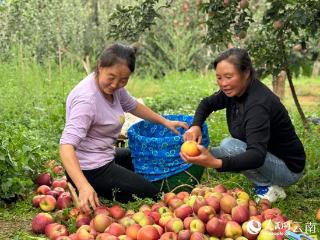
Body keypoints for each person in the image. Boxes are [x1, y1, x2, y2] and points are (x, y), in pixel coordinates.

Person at [60, 43, 188, 212]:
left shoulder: (114, 89)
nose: (115, 84)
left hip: (105, 155)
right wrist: (83, 185)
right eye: (111, 77)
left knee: (147, 156)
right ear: (100, 66)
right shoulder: (87, 100)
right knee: (154, 195)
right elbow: (66, 146)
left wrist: (165, 121)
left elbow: (133, 105)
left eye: (123, 80)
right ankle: (87, 186)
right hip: (90, 169)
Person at [180, 48, 305, 202]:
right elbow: (207, 104)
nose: (223, 83)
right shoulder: (236, 90)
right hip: (268, 154)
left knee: (232, 147)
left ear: (246, 73)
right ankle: (209, 157)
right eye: (219, 77)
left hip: (288, 168)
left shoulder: (258, 105)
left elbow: (256, 156)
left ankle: (268, 188)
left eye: (228, 77)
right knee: (227, 145)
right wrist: (196, 125)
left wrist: (215, 163)